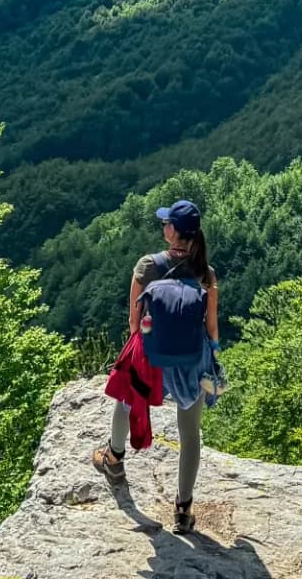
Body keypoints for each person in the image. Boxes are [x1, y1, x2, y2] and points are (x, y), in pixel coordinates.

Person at [93, 198, 222, 533]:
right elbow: (211, 328)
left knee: (126, 399)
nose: (163, 226)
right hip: (191, 361)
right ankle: (182, 509)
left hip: (151, 358)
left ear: (173, 231)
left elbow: (134, 324)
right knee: (190, 433)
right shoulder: (207, 274)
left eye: (166, 222)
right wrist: (214, 360)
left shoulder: (147, 266)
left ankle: (115, 459)